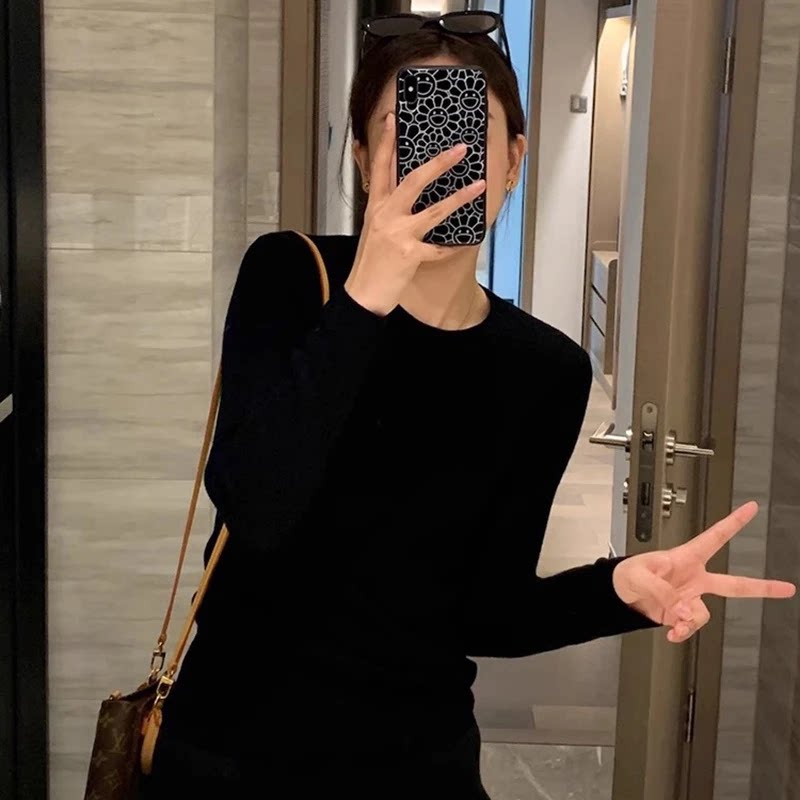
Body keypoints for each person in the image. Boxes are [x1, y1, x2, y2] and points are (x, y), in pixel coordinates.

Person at [138, 13, 795, 800]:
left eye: (468, 133)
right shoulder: (291, 279)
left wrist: (616, 589)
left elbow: (487, 613)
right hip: (231, 756)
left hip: (420, 761)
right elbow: (257, 506)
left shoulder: (546, 372)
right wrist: (367, 296)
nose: (442, 159)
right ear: (363, 157)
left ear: (513, 159)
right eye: (410, 131)